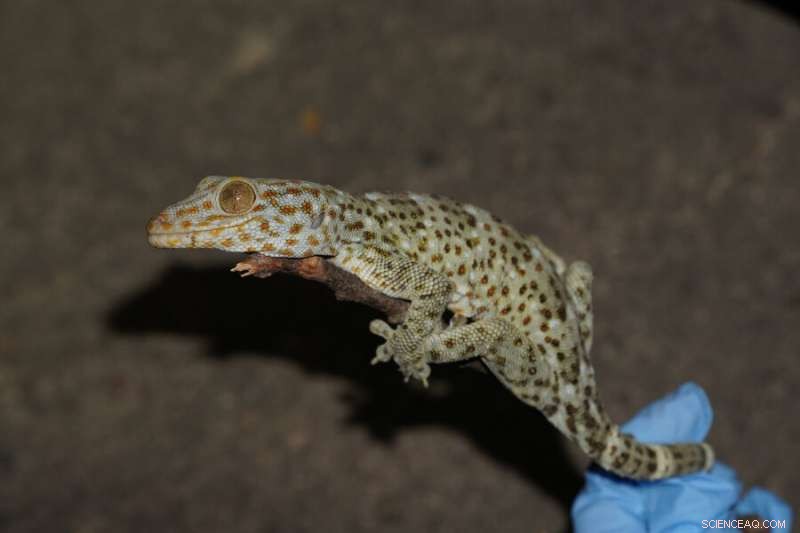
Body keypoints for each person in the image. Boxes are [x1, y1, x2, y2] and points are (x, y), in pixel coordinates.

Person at [571, 383, 793, 532]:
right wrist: (754, 522)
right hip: (695, 481)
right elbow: (770, 510)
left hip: (623, 506)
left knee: (604, 506)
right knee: (687, 409)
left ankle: (611, 471)